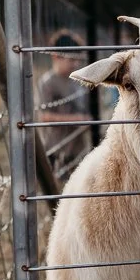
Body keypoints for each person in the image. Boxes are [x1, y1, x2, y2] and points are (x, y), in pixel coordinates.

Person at [36, 29, 94, 176]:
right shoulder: (47, 83)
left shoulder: (78, 81)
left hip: (77, 148)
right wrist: (77, 120)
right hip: (56, 148)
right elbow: (44, 116)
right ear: (56, 56)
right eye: (71, 59)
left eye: (77, 60)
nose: (75, 64)